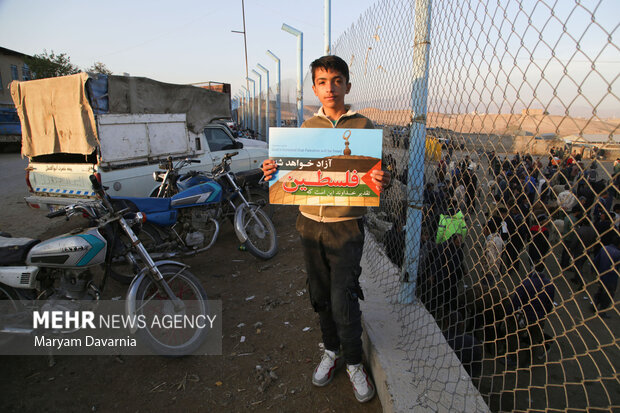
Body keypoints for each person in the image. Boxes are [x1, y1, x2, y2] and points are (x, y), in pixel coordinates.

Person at [261, 55, 391, 403]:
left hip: (346, 227)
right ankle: (331, 351)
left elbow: (376, 177)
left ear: (347, 85)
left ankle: (353, 362)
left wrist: (382, 179)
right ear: (315, 88)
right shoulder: (305, 130)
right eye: (322, 81)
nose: (329, 88)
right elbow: (290, 174)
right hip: (309, 225)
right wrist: (275, 169)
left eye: (336, 80)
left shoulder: (364, 127)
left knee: (343, 298)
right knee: (319, 295)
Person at [592, 234, 620, 318]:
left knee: (600, 290)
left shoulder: (604, 248)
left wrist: (593, 270)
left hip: (601, 274)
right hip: (611, 278)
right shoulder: (618, 253)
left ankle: (594, 305)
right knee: (608, 295)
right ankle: (602, 311)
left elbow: (596, 260)